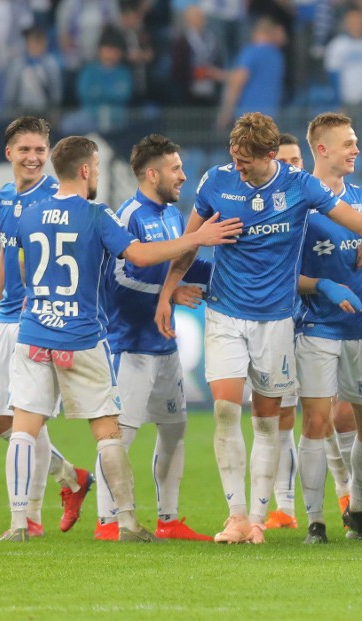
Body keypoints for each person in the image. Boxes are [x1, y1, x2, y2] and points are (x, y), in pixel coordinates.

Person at [155, 112, 362, 545]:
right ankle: (235, 517)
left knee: (268, 421)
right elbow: (189, 244)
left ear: (270, 155)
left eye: (245, 159)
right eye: (234, 156)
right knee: (227, 412)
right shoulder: (216, 182)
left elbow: (359, 224)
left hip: (276, 319)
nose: (238, 165)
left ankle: (258, 521)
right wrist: (167, 294)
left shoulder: (300, 186)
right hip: (225, 312)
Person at [3, 135, 241, 542]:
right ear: (84, 170)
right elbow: (140, 257)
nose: (97, 174)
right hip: (83, 335)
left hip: (34, 332)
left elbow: (23, 267)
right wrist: (196, 239)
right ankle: (124, 521)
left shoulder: (28, 214)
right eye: (95, 168)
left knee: (24, 429)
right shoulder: (99, 215)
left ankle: (19, 523)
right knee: (109, 433)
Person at [94, 134, 213, 542]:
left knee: (174, 427)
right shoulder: (129, 215)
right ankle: (107, 521)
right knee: (120, 434)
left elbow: (179, 266)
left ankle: (168, 518)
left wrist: (225, 276)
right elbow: (119, 278)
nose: (183, 175)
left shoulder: (171, 216)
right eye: (175, 169)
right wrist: (170, 294)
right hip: (129, 344)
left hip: (164, 344)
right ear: (152, 173)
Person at [296, 112, 362, 544]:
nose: (357, 149)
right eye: (348, 143)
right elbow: (284, 275)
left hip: (361, 330)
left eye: (357, 141)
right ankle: (315, 523)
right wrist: (322, 286)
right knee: (317, 422)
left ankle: (358, 508)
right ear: (322, 150)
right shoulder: (299, 204)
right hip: (316, 328)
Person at [0, 116, 92, 538]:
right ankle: (71, 476)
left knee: (28, 422)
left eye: (40, 151)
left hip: (38, 323)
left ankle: (28, 518)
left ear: (49, 156)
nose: (33, 158)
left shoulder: (56, 197)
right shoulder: (7, 195)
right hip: (7, 320)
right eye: (25, 150)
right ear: (9, 153)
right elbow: (5, 256)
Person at [263, 135, 306, 531]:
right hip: (279, 325)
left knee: (334, 420)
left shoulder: (310, 208)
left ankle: (351, 494)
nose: (292, 168)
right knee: (281, 417)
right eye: (286, 161)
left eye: (298, 161)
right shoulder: (275, 212)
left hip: (321, 326)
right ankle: (285, 508)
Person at [217, 18, 286, 127]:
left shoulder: (252, 52)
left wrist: (225, 114)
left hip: (248, 116)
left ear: (258, 32)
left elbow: (238, 81)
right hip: (271, 116)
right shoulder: (277, 56)